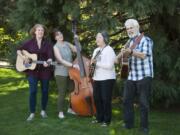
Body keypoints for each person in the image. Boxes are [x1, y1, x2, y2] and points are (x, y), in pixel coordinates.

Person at [116, 19, 153, 134]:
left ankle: (144, 127)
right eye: (127, 28)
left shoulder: (146, 40)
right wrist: (120, 55)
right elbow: (117, 60)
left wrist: (131, 52)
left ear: (137, 27)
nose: (129, 30)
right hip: (131, 76)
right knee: (127, 100)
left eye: (131, 27)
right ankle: (128, 123)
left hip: (144, 75)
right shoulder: (128, 42)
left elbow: (143, 55)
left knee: (143, 103)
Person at [17, 24, 54, 121]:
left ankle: (43, 110)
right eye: (38, 30)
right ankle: (32, 112)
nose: (40, 32)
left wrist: (49, 62)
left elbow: (50, 56)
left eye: (42, 30)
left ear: (44, 32)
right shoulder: (29, 43)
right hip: (32, 71)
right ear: (34, 32)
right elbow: (19, 50)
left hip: (45, 71)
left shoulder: (48, 44)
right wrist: (24, 58)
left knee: (45, 91)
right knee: (33, 91)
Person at [91, 31, 116, 126]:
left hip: (107, 78)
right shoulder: (96, 50)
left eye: (99, 37)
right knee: (97, 99)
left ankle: (107, 120)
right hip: (97, 78)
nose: (97, 39)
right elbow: (93, 63)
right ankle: (99, 118)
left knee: (106, 99)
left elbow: (110, 66)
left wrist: (97, 63)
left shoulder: (109, 50)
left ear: (104, 39)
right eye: (96, 37)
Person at [52, 29, 78, 119]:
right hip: (60, 73)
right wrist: (73, 65)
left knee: (73, 90)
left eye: (61, 34)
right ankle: (60, 111)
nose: (60, 36)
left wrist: (76, 40)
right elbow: (61, 60)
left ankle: (70, 108)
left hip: (70, 72)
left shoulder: (66, 43)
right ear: (55, 38)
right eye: (58, 35)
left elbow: (76, 50)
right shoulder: (55, 47)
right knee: (62, 92)